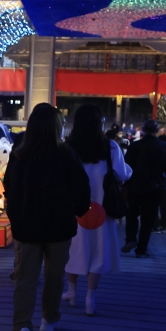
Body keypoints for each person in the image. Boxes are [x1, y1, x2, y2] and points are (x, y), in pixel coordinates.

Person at [4, 103, 91, 331]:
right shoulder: (66, 155)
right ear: (57, 126)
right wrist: (77, 210)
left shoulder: (19, 154)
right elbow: (81, 189)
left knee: (25, 277)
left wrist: (15, 215)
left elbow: (9, 186)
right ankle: (48, 319)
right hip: (59, 226)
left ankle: (22, 328)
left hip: (26, 225)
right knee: (55, 276)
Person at [64, 104, 132, 316]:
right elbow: (122, 174)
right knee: (98, 253)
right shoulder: (110, 146)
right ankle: (90, 299)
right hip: (102, 210)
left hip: (74, 209)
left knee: (74, 249)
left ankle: (72, 292)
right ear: (99, 123)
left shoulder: (68, 147)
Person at [121, 120, 166, 256]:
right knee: (148, 219)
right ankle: (142, 249)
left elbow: (126, 166)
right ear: (157, 131)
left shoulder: (135, 146)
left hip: (135, 185)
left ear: (144, 130)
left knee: (132, 214)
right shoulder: (163, 147)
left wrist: (124, 185)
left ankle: (131, 238)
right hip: (154, 187)